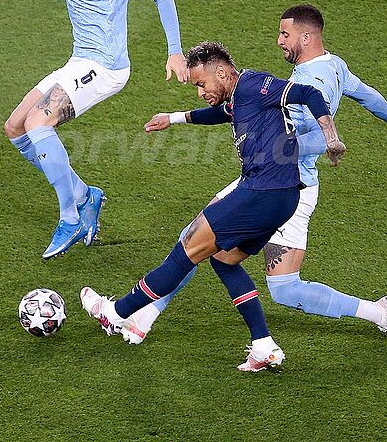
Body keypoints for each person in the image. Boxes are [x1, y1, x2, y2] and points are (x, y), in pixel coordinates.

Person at [127, 4, 387, 346]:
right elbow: (365, 93)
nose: (279, 40)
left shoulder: (308, 81)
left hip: (277, 183)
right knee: (282, 287)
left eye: (285, 34)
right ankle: (379, 313)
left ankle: (141, 313)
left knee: (197, 241)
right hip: (292, 186)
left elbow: (316, 137)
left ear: (306, 37)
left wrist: (277, 151)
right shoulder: (334, 66)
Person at [81, 41, 346, 371]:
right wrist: (173, 118)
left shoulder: (254, 84)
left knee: (186, 250)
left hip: (260, 192)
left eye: (201, 83)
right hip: (284, 198)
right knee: (224, 260)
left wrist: (330, 137)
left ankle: (116, 313)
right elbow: (222, 113)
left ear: (221, 72)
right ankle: (263, 345)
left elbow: (308, 93)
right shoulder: (238, 97)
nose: (200, 92)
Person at [0, 0, 187, 259]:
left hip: (106, 67)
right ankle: (84, 195)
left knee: (38, 123)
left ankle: (70, 217)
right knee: (15, 128)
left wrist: (175, 51)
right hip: (78, 62)